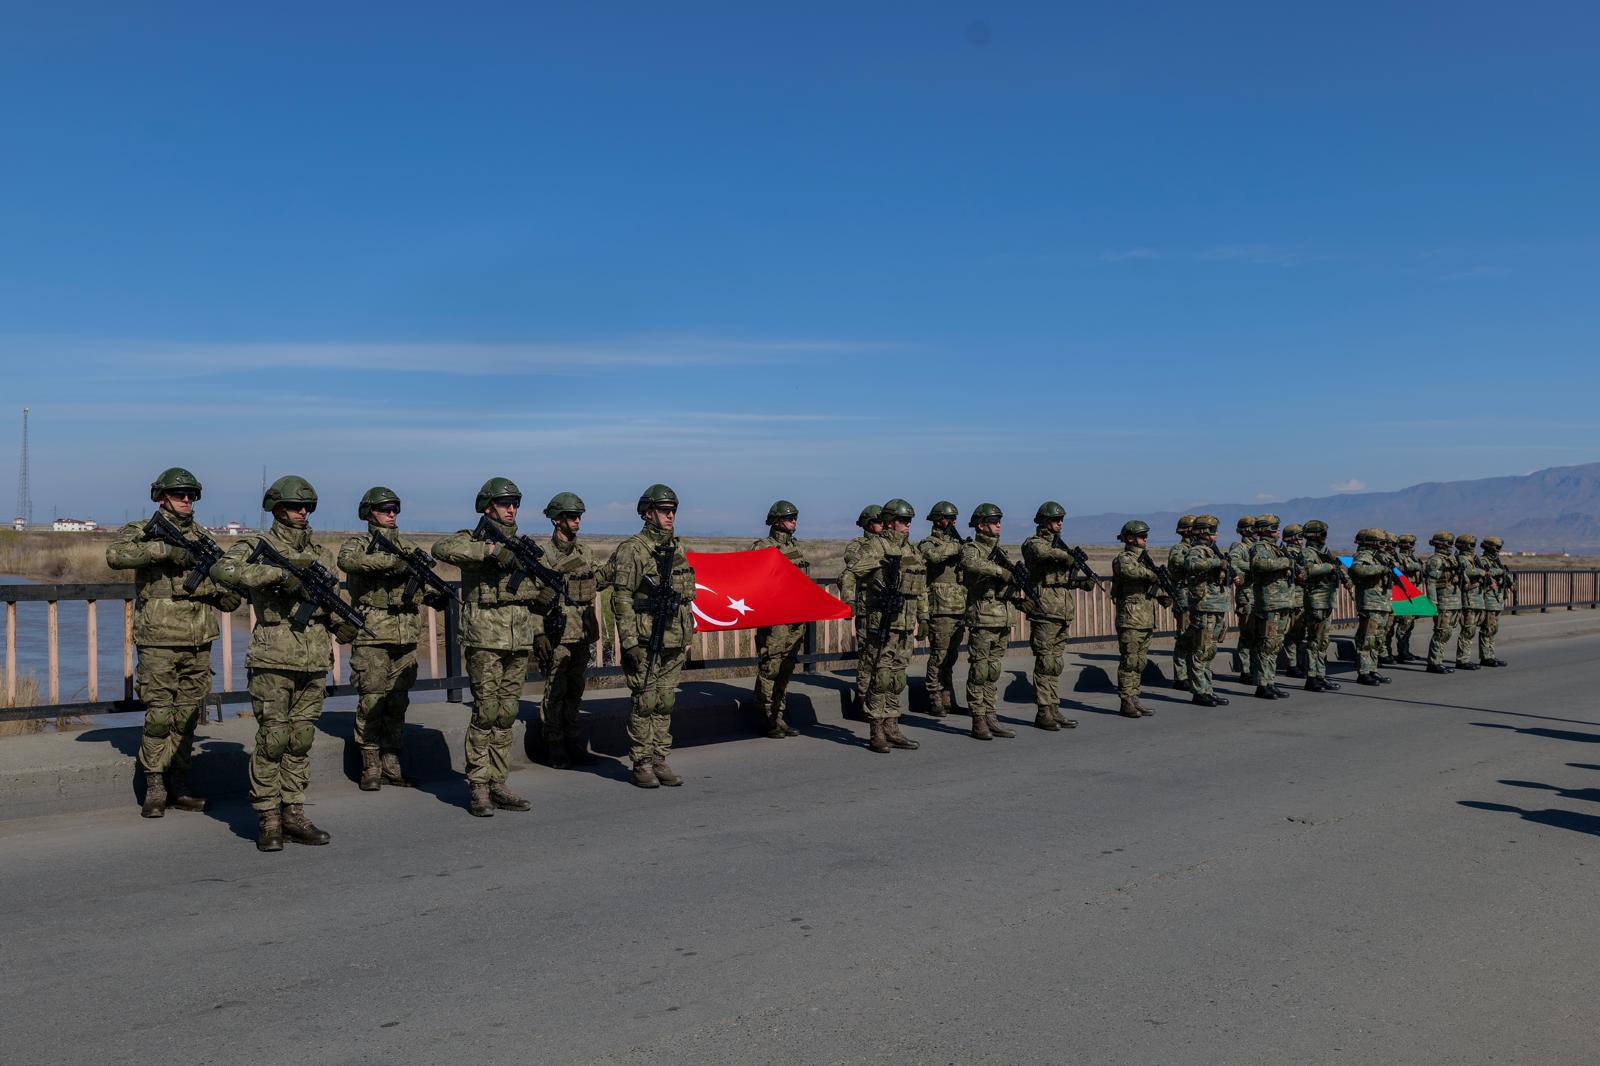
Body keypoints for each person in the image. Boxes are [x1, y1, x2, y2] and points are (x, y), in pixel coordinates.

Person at [212, 476, 352, 851]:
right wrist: (280, 575)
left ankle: (294, 811)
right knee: (273, 739)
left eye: (307, 506)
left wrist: (343, 623)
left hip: (313, 658)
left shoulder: (321, 555)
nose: (302, 512)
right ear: (277, 508)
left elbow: (328, 600)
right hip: (273, 656)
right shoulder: (259, 546)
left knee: (300, 739)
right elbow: (223, 570)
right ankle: (268, 818)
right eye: (294, 506)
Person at [106, 467, 242, 818]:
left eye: (191, 495)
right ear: (162, 497)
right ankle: (155, 784)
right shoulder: (141, 530)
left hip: (198, 639)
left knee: (186, 718)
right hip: (159, 639)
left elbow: (220, 580)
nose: (186, 501)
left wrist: (221, 591)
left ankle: (179, 783)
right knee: (159, 716)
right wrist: (164, 552)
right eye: (180, 494)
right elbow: (116, 556)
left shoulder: (200, 535)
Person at [431, 478, 539, 816]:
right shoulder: (473, 539)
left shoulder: (522, 545)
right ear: (488, 507)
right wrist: (492, 552)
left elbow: (535, 587)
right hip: (485, 638)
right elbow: (441, 548)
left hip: (518, 638)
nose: (511, 509)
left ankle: (498, 781)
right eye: (504, 503)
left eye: (515, 503)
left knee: (507, 714)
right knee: (485, 712)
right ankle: (478, 785)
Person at [337, 487, 448, 791]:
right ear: (369, 512)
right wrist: (391, 562)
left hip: (405, 633)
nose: (391, 514)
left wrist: (434, 595)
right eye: (385, 509)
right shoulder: (359, 544)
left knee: (397, 701)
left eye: (395, 509)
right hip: (372, 632)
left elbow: (419, 585)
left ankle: (392, 760)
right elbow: (347, 563)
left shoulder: (409, 547)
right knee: (371, 700)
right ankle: (370, 764)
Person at [605, 484, 698, 788]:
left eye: (673, 511)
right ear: (648, 513)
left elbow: (686, 595)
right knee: (644, 701)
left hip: (674, 636)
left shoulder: (678, 548)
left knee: (666, 701)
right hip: (646, 639)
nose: (670, 516)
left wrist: (688, 630)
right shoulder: (633, 549)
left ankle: (660, 757)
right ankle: (641, 762)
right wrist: (629, 641)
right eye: (664, 510)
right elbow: (621, 598)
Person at [844, 499, 929, 753]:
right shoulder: (876, 547)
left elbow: (921, 587)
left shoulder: (912, 550)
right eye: (904, 521)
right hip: (881, 623)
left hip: (905, 624)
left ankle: (893, 726)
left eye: (910, 521)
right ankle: (876, 729)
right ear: (890, 522)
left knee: (898, 677)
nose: (908, 526)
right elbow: (849, 574)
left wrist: (923, 617)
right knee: (880, 676)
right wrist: (849, 601)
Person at [534, 492, 602, 768]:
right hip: (557, 632)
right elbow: (533, 600)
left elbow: (598, 579)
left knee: (575, 690)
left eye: (579, 517)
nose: (577, 522)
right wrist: (538, 633)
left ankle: (574, 743)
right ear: (557, 520)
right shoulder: (542, 555)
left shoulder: (585, 552)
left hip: (582, 632)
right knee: (555, 692)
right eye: (572, 517)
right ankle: (555, 747)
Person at [1022, 501, 1095, 729]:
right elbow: (1044, 554)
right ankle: (1043, 711)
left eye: (1061, 519)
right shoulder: (1034, 544)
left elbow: (1062, 580)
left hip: (1061, 612)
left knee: (1055, 664)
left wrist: (1082, 582)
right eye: (1055, 520)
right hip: (1044, 611)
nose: (1060, 523)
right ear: (1044, 522)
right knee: (1045, 662)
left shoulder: (1060, 547)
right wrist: (1069, 557)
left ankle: (1054, 707)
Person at [960, 503, 1021, 738]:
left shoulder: (1001, 551)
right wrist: (999, 572)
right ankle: (978, 719)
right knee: (980, 669)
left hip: (1002, 618)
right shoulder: (972, 549)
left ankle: (991, 715)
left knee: (993, 670)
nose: (999, 525)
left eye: (999, 521)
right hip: (983, 618)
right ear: (980, 525)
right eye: (994, 521)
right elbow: (970, 564)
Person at [750, 499, 809, 738]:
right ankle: (766, 717)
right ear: (776, 521)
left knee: (786, 667)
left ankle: (779, 714)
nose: (794, 521)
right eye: (789, 517)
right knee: (770, 666)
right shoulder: (763, 547)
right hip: (775, 617)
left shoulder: (796, 548)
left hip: (795, 616)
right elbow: (752, 577)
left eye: (795, 517)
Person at [1109, 520, 1171, 718]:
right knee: (1129, 661)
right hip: (1130, 618)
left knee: (1139, 662)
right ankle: (1126, 700)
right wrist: (1153, 575)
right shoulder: (1124, 558)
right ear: (1129, 538)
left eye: (1146, 535)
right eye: (1141, 535)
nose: (1145, 538)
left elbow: (1150, 582)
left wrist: (1163, 593)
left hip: (1145, 618)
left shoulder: (1145, 560)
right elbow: (1130, 572)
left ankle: (1135, 697)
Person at [1173, 515, 1232, 707]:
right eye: (1214, 531)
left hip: (1216, 606)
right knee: (1200, 650)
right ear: (1206, 532)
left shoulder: (1211, 551)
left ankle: (1208, 690)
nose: (1217, 534)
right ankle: (1199, 691)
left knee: (1209, 651)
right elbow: (1191, 565)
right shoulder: (1196, 551)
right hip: (1204, 607)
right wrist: (1217, 564)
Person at [916, 500, 966, 718]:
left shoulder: (957, 543)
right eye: (949, 518)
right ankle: (934, 698)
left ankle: (948, 698)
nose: (953, 521)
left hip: (958, 606)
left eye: (955, 518)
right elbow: (935, 557)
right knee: (938, 656)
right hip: (940, 608)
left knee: (951, 657)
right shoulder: (927, 544)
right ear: (938, 520)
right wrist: (957, 547)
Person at [839, 504, 885, 716]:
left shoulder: (886, 543)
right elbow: (852, 566)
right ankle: (863, 699)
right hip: (867, 606)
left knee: (883, 656)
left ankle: (878, 700)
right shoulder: (857, 545)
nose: (882, 525)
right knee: (867, 654)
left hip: (884, 607)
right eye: (878, 521)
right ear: (868, 523)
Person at [1246, 514, 1296, 700]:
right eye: (1274, 528)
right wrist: (1285, 562)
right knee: (1266, 645)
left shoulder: (1277, 549)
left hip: (1282, 601)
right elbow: (1259, 565)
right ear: (1266, 530)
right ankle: (1262, 685)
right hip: (1270, 603)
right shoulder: (1260, 547)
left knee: (1274, 645)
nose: (1277, 532)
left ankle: (1270, 682)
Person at [1296, 520, 1344, 692]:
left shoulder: (1323, 552)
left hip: (1326, 600)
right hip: (1316, 601)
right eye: (1323, 534)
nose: (1325, 538)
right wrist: (1329, 566)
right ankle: (1311, 677)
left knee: (1323, 641)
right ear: (1315, 536)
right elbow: (1305, 571)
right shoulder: (1308, 552)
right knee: (1314, 641)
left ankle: (1320, 675)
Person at [1347, 529, 1395, 686]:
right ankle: (1363, 672)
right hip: (1370, 603)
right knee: (1367, 639)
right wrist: (1380, 569)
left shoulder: (1379, 556)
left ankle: (1372, 670)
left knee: (1377, 639)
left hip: (1382, 603)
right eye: (1381, 542)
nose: (1384, 546)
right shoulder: (1363, 556)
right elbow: (1357, 570)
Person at [1423, 530, 1461, 674]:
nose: (1451, 546)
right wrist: (1433, 601)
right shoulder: (1436, 560)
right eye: (1449, 543)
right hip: (1443, 600)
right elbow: (1431, 582)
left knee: (1447, 632)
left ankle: (1439, 660)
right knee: (1441, 632)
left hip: (1453, 600)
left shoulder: (1451, 559)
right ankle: (1434, 663)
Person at [1226, 516, 1257, 682]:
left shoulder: (1257, 547)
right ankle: (1246, 670)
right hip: (1247, 596)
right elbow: (1233, 563)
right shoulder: (1240, 547)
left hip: (1259, 595)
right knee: (1247, 634)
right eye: (1253, 529)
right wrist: (1254, 567)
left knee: (1259, 634)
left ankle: (1256, 667)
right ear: (1245, 531)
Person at [1168, 516, 1196, 691]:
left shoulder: (1197, 549)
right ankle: (1181, 676)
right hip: (1184, 599)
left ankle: (1192, 672)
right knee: (1184, 637)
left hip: (1196, 599)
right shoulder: (1179, 549)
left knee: (1195, 637)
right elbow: (1181, 565)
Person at [1391, 533, 1425, 662]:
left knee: (1409, 625)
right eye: (1412, 544)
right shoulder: (1400, 557)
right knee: (1404, 625)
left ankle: (1405, 651)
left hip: (1411, 593)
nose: (1414, 546)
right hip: (1403, 594)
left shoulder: (1412, 557)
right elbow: (1400, 569)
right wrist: (1417, 566)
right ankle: (1400, 652)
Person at [1279, 523, 1307, 678]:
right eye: (1300, 537)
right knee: (1292, 633)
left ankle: (1297, 663)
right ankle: (1292, 664)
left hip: (1301, 596)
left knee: (1299, 634)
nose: (1302, 540)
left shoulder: (1299, 552)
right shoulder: (1288, 554)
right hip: (1294, 597)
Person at [1478, 536, 1510, 667]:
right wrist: (1500, 572)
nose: (1498, 550)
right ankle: (1485, 657)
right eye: (1497, 547)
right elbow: (1487, 572)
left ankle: (1491, 655)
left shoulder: (1496, 560)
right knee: (1487, 629)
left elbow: (1502, 574)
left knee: (1493, 629)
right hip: (1489, 599)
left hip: (1497, 598)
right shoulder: (1482, 560)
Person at [1454, 533, 1484, 671]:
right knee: (1467, 630)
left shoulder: (1472, 559)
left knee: (1471, 630)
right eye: (1471, 545)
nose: (1473, 547)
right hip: (1468, 600)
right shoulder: (1461, 559)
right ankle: (1462, 659)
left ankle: (1466, 657)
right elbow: (1467, 572)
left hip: (1476, 598)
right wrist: (1480, 572)